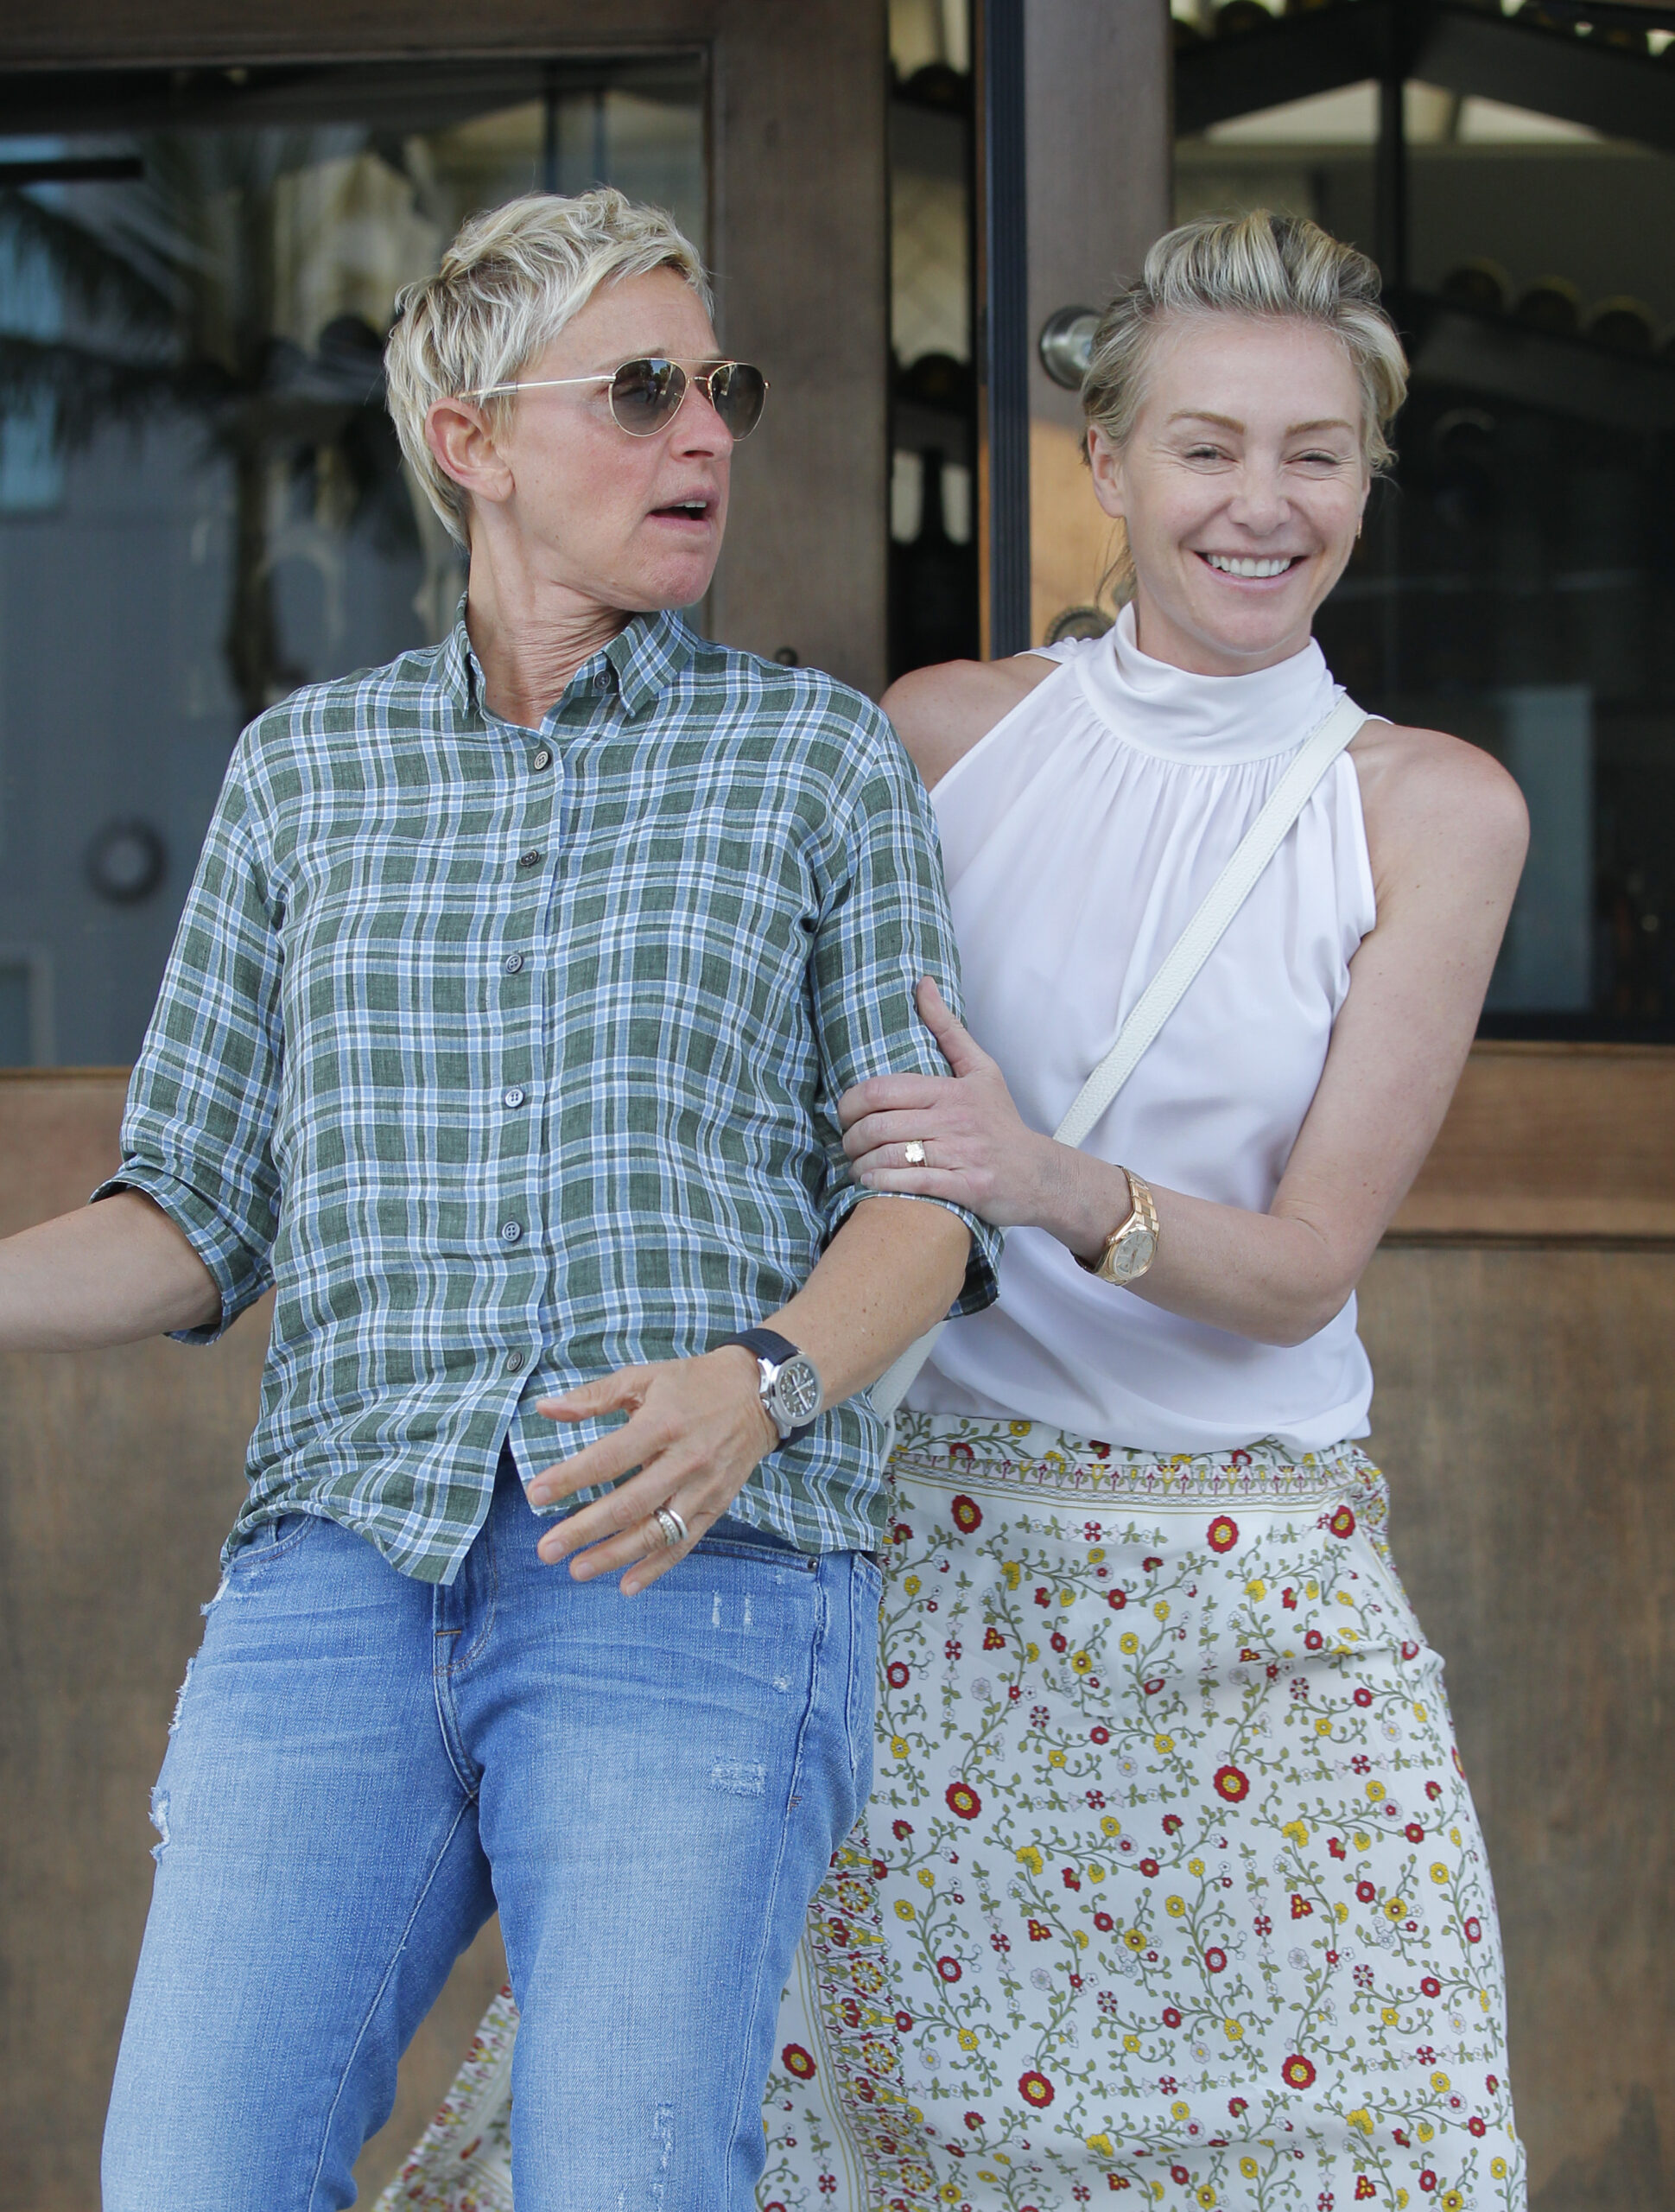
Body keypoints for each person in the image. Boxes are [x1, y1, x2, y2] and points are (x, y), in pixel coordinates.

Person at [394, 211, 1530, 2211]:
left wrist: (1039, 1179)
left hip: (1256, 1594)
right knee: (816, 2150)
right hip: (929, 1576)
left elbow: (1299, 1272)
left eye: (1315, 453)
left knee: (1375, 2147)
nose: (1260, 502)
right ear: (1108, 464)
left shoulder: (1431, 807)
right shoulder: (937, 737)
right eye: (1205, 446)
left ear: (1365, 480)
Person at [0, 189, 1000, 2212]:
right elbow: (191, 1212)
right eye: (638, 392)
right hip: (341, 1568)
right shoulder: (306, 774)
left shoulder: (814, 761)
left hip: (688, 1561)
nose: (701, 434)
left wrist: (761, 1382)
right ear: (469, 439)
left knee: (620, 2178)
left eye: (717, 390)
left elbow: (930, 1207)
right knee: (191, 2172)